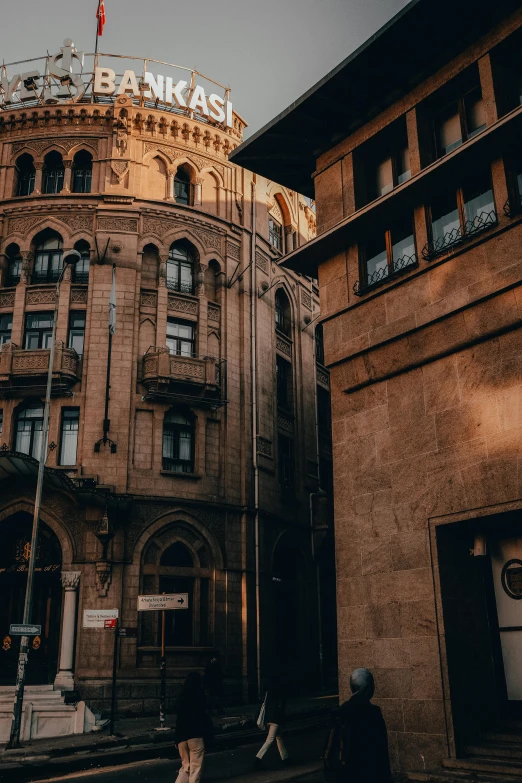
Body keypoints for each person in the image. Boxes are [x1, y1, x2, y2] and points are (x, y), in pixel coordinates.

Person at [325, 668, 393, 783]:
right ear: (367, 688)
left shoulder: (340, 712)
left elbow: (330, 748)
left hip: (345, 774)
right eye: (372, 685)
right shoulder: (373, 714)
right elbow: (381, 753)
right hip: (369, 774)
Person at [174, 672, 212, 783]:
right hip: (195, 735)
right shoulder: (198, 695)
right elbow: (202, 716)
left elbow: (178, 719)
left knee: (185, 767)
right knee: (195, 768)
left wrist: (176, 739)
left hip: (181, 737)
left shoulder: (181, 696)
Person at [254, 675, 289, 768]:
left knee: (279, 738)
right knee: (270, 739)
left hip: (268, 719)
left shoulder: (267, 692)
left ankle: (285, 758)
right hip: (276, 719)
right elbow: (281, 707)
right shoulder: (280, 692)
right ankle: (258, 759)